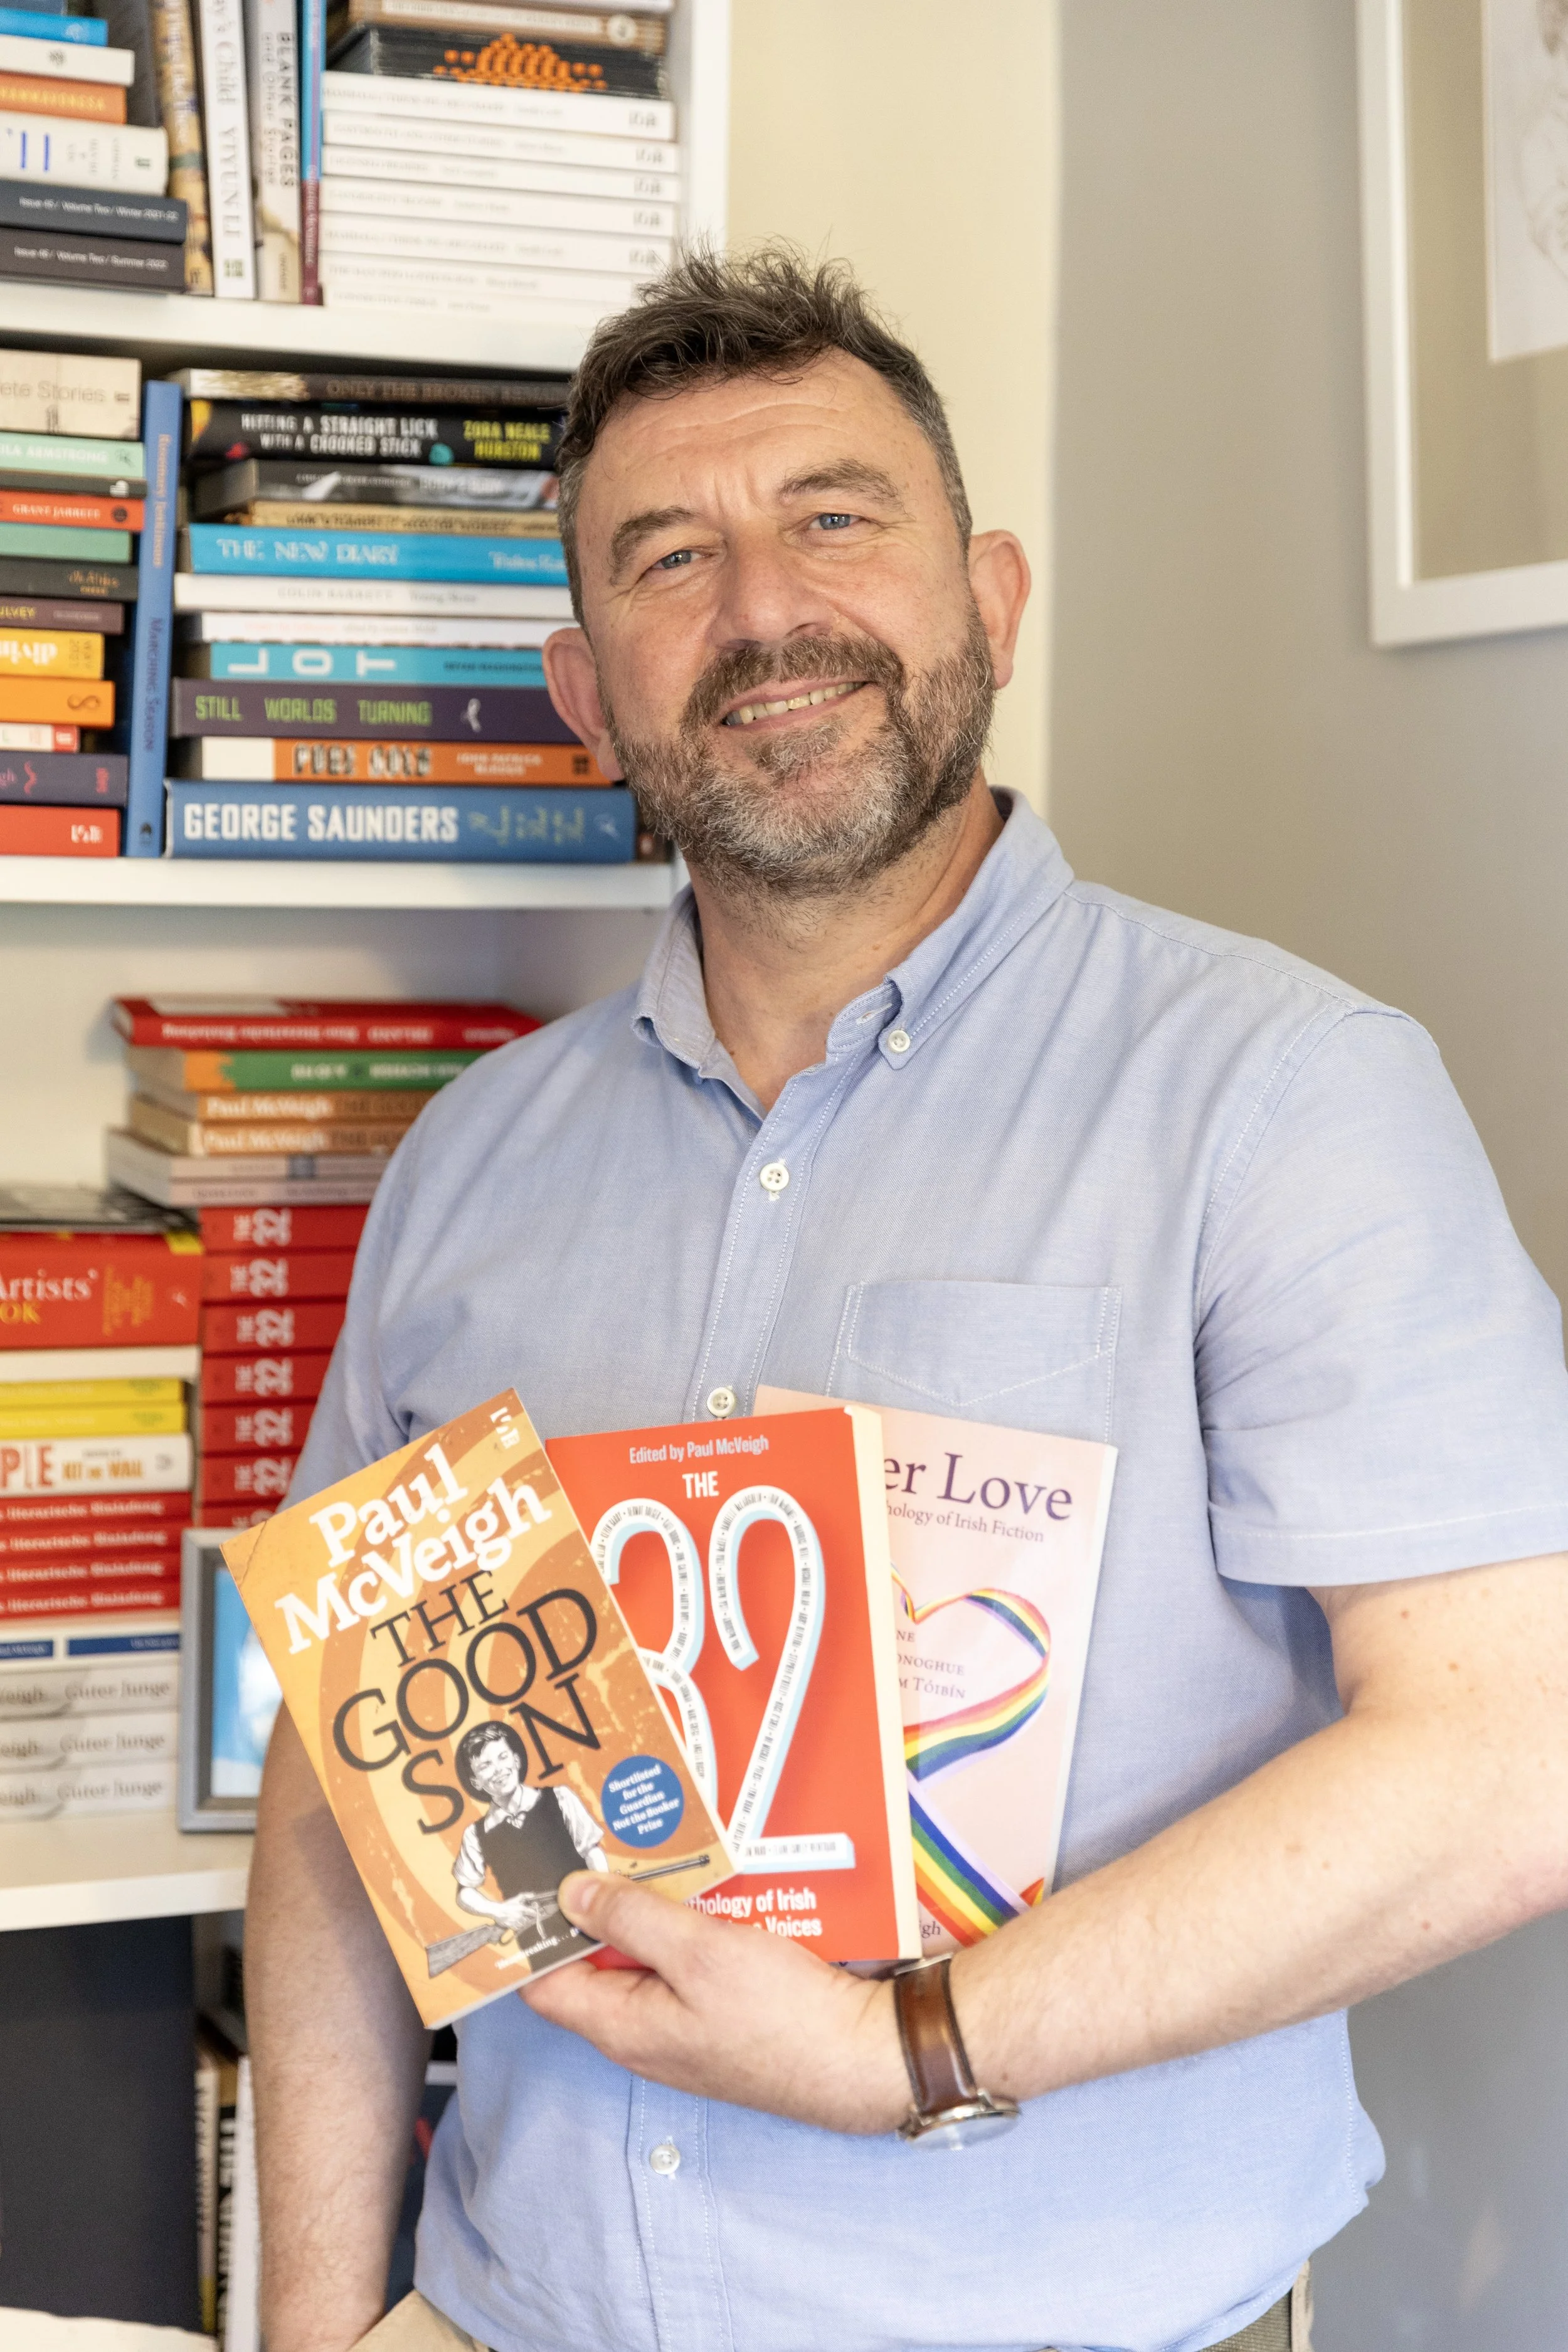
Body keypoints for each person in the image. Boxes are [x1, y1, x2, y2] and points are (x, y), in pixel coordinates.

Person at [248, 246, 1568, 2352]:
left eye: (837, 518)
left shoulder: (1283, 1096)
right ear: (588, 694)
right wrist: (317, 2333)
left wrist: (907, 2053)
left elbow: (1516, 1756)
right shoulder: (469, 1171)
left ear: (994, 605)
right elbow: (347, 1795)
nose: (764, 609)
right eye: (670, 556)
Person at [448, 1721, 609, 1968]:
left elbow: (591, 1851)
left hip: (589, 1922)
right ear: (476, 1782)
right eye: (485, 1766)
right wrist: (498, 1912)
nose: (499, 1770)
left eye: (503, 1757)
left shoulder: (561, 1798)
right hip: (538, 1945)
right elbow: (465, 1892)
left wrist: (604, 1893)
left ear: (516, 1760)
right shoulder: (475, 1834)